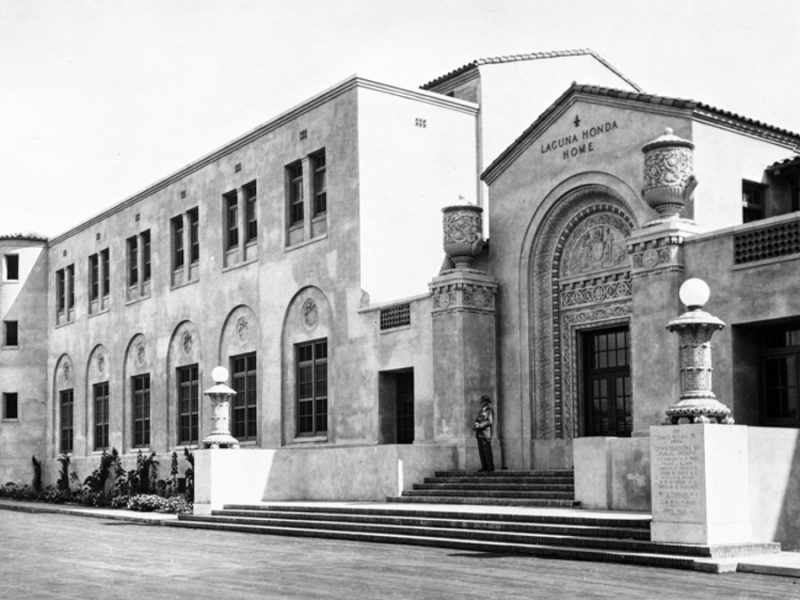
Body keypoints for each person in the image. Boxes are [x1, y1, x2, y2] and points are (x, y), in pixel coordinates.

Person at [472, 394, 495, 473]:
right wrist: (475, 425)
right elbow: (477, 420)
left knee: (487, 451)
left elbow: (490, 421)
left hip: (485, 434)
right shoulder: (481, 411)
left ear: (486, 402)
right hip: (479, 434)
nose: (481, 403)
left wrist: (480, 426)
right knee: (481, 451)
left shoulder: (489, 411)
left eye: (483, 401)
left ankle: (490, 467)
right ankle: (484, 466)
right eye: (481, 401)